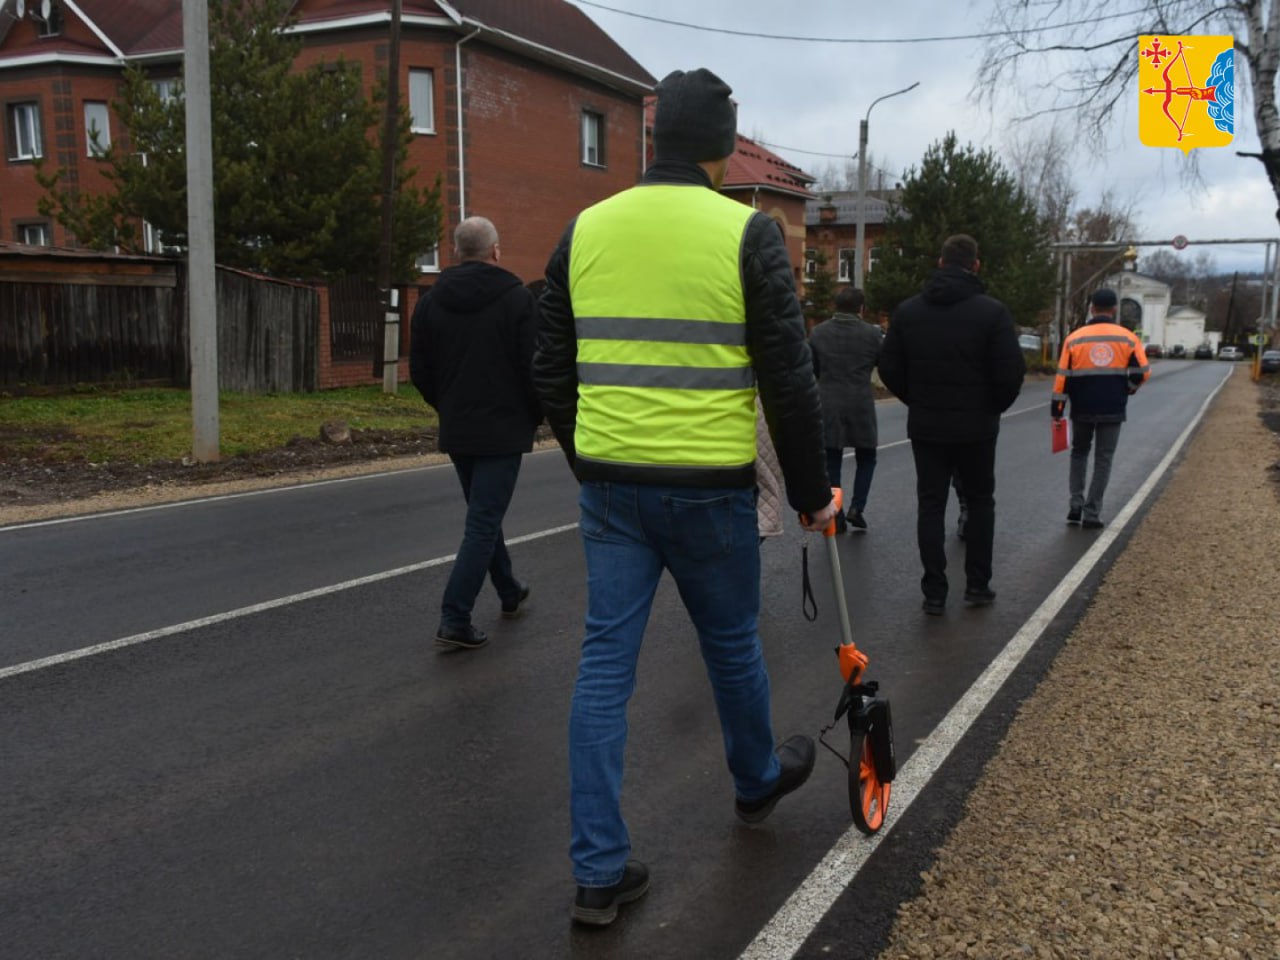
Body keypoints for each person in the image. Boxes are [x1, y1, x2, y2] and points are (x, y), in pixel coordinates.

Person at [532, 67, 836, 927]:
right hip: (710, 489)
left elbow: (550, 363)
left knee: (602, 672)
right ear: (719, 148)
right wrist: (813, 494)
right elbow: (788, 377)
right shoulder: (747, 233)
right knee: (732, 646)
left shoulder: (584, 228)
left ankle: (597, 873)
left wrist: (589, 455)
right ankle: (753, 786)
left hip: (613, 487)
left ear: (654, 140)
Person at [409, 216, 541, 650]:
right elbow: (533, 367)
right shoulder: (517, 299)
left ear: (456, 252)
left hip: (459, 428)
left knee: (483, 517)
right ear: (496, 251)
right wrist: (532, 413)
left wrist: (446, 405)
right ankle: (454, 617)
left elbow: (420, 369)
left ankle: (508, 590)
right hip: (503, 430)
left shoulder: (430, 301)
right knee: (483, 522)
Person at [878, 234, 1025, 616]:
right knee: (979, 502)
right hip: (977, 428)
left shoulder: (909, 312)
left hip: (928, 425)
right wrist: (991, 407)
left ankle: (934, 592)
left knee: (930, 505)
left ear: (940, 263)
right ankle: (977, 584)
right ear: (976, 266)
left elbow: (889, 367)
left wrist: (918, 399)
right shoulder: (992, 313)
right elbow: (1011, 373)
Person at [1051, 288, 1150, 529]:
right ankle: (1092, 512)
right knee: (1103, 459)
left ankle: (1075, 503)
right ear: (1114, 309)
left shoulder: (1075, 339)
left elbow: (1063, 376)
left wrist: (1058, 407)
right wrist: (1127, 388)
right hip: (1112, 406)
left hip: (1082, 406)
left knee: (1079, 453)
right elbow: (1142, 372)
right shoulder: (1127, 338)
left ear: (1092, 308)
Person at [808, 286, 883, 532]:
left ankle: (836, 513)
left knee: (832, 459)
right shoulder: (872, 335)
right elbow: (882, 363)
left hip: (828, 401)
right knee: (867, 457)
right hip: (860, 400)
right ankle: (857, 507)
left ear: (835, 306)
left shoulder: (818, 333)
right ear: (861, 308)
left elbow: (812, 368)